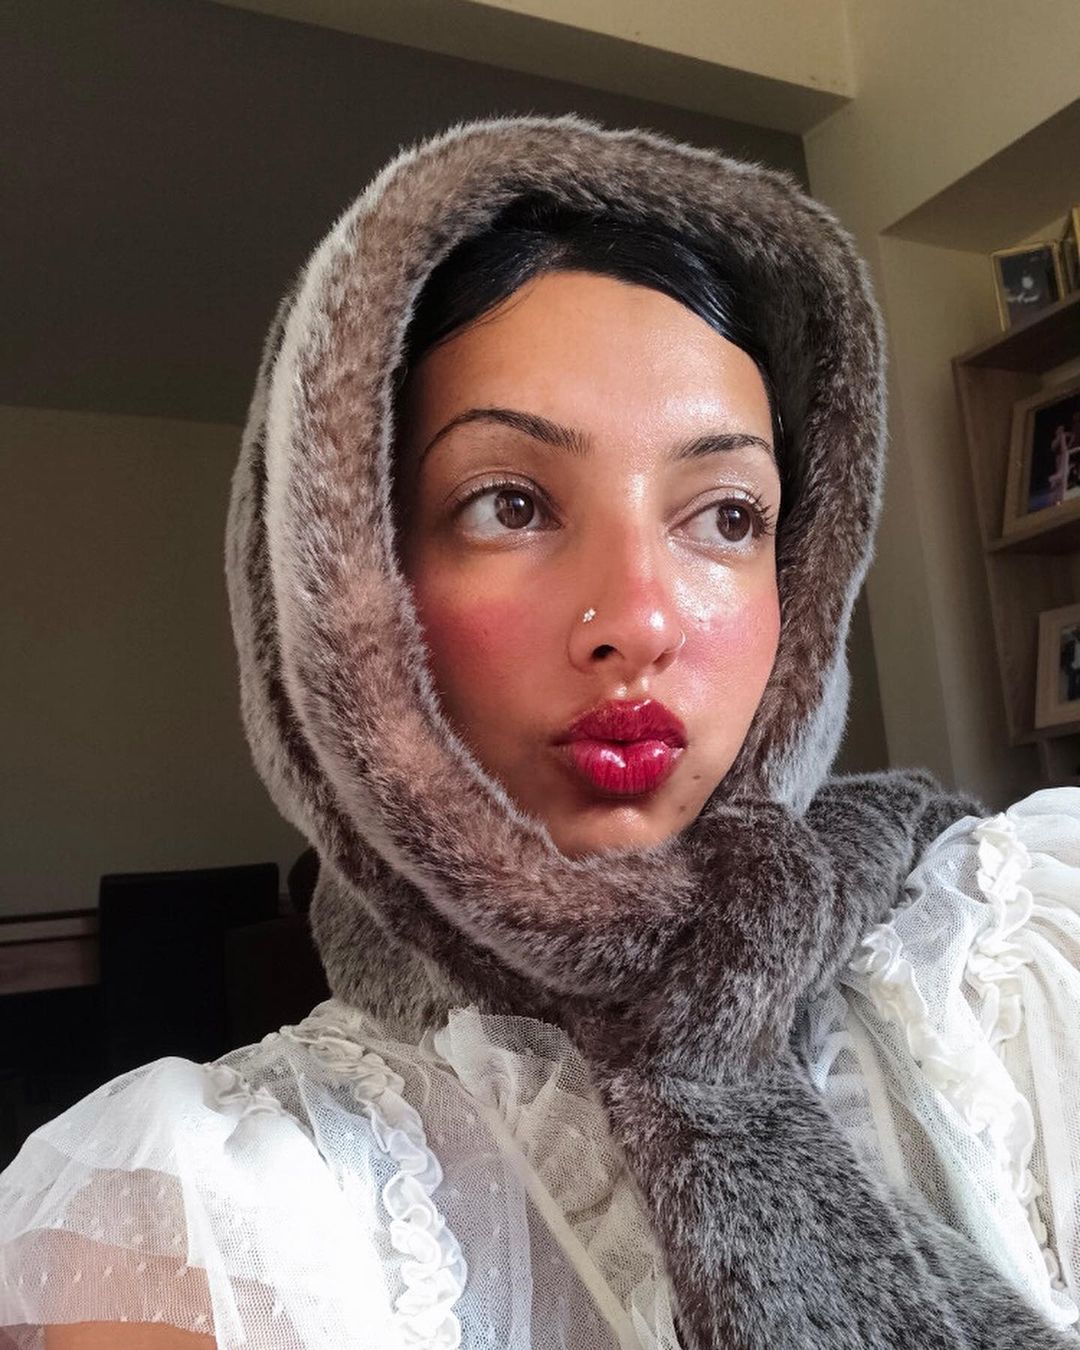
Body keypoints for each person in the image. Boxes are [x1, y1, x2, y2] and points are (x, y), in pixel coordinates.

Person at [3, 113, 1080, 1349]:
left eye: (728, 515)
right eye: (509, 503)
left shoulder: (1023, 960)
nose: (639, 620)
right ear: (347, 584)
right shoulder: (203, 1221)